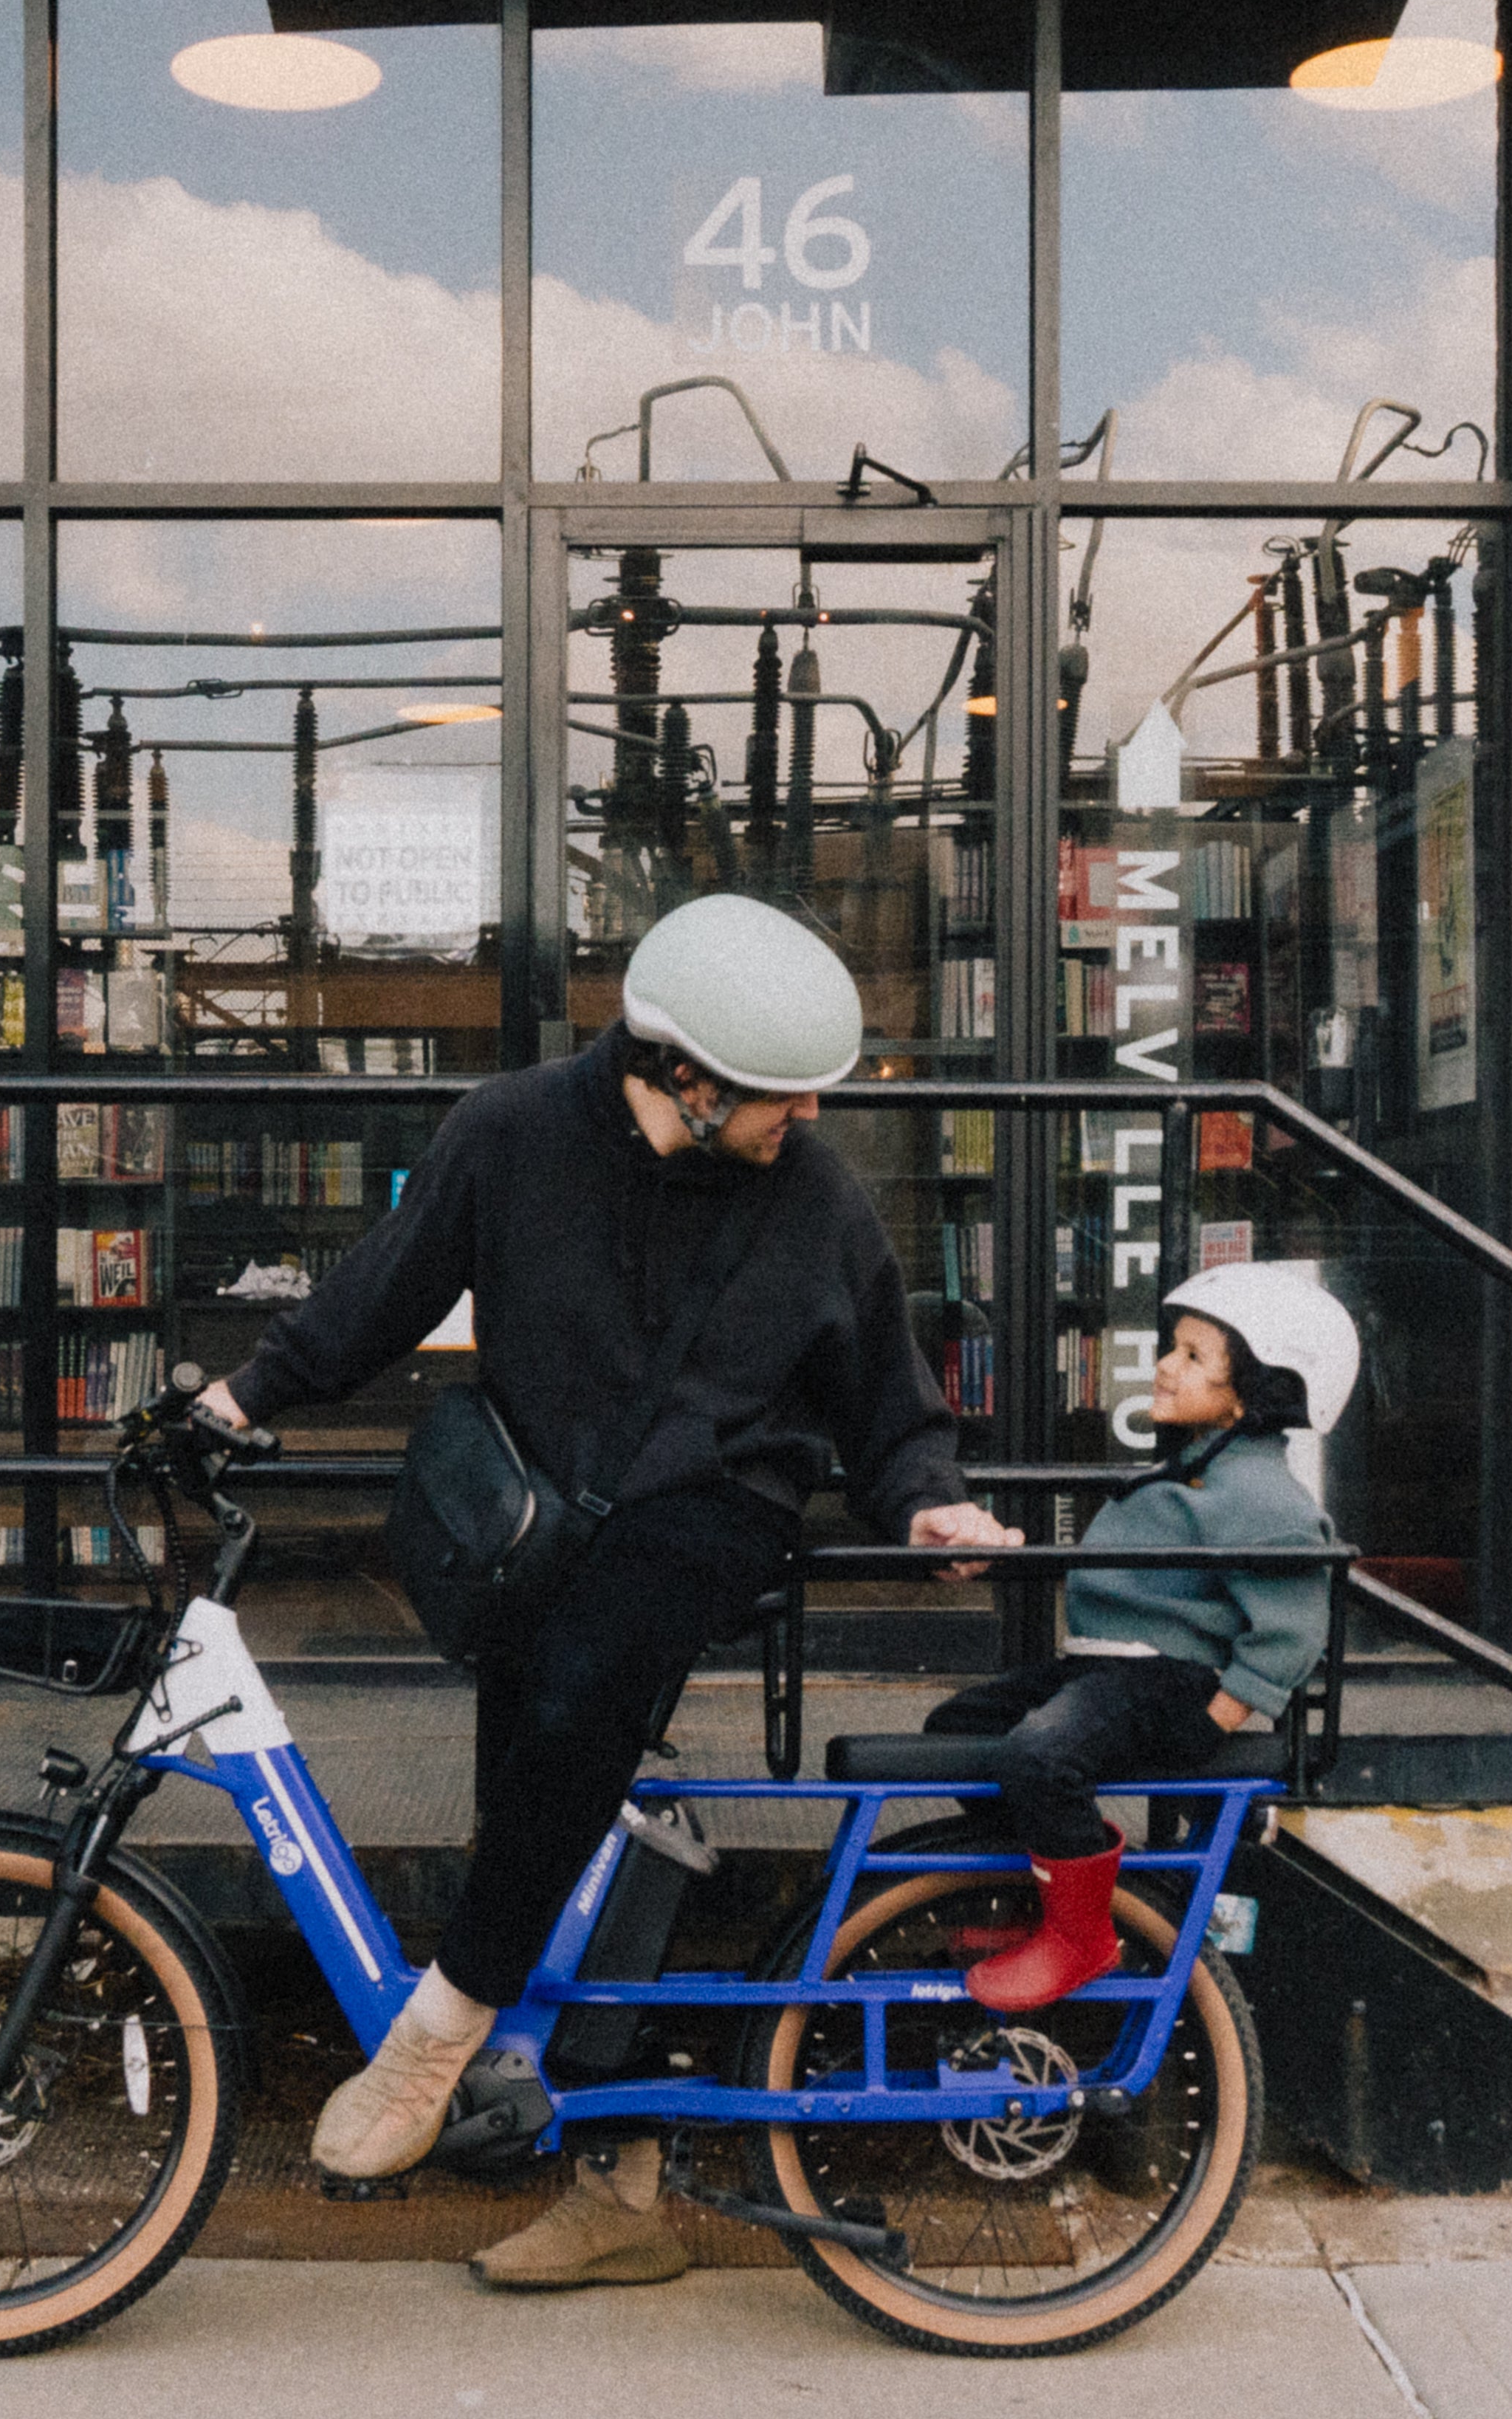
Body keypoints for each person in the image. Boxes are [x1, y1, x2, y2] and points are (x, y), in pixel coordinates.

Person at [195, 892, 1017, 2289]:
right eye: (774, 1089)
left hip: (715, 1507)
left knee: (580, 1697)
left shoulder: (809, 1193)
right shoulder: (506, 1133)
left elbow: (885, 1391)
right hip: (536, 1509)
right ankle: (619, 2182)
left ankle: (435, 2037)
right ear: (680, 1075)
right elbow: (386, 1288)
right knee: (542, 1806)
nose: (807, 1111)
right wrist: (248, 1389)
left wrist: (923, 1490)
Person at [918, 1259, 1351, 2014]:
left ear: (1259, 1389)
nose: (1164, 1366)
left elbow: (1292, 1625)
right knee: (958, 1728)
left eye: (1193, 1357)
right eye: (1172, 1348)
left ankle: (1081, 1935)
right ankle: (1051, 1886)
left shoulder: (1260, 1496)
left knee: (1040, 1753)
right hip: (1109, 1670)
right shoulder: (1191, 1470)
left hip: (1170, 1681)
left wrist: (1223, 1716)